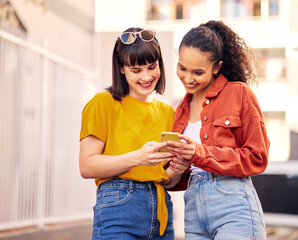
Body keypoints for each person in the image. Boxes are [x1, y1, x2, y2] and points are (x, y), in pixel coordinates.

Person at [166, 20, 270, 240]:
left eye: (198, 72)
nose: (188, 78)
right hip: (193, 212)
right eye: (182, 68)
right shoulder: (179, 111)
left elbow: (257, 157)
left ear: (217, 67)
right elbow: (177, 179)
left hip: (233, 207)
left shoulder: (239, 94)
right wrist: (176, 167)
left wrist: (199, 153)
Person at [79, 27, 186, 240]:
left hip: (161, 215)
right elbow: (86, 165)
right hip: (119, 210)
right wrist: (139, 157)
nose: (146, 76)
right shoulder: (103, 103)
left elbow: (165, 179)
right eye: (136, 70)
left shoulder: (167, 112)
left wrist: (177, 170)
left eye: (152, 67)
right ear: (121, 68)